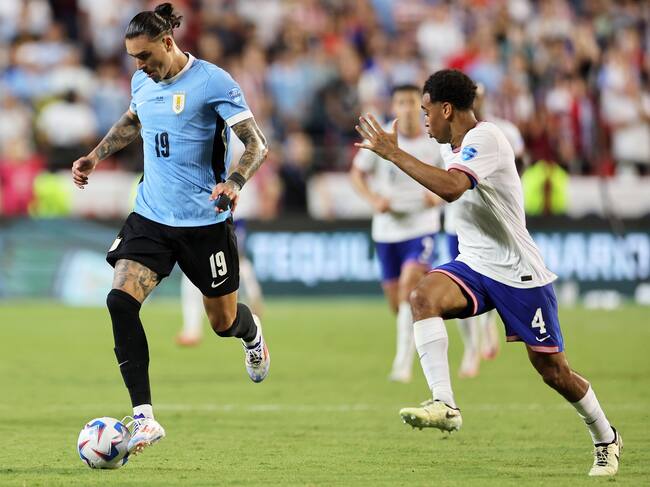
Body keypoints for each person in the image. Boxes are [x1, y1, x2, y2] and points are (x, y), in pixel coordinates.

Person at [354, 69, 621, 477]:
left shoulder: (486, 139)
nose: (423, 120)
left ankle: (605, 437)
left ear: (447, 109)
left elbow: (451, 188)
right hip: (476, 263)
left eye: (426, 111)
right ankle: (444, 402)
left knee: (554, 372)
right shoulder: (449, 142)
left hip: (519, 272)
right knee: (421, 297)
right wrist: (394, 146)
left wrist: (393, 154)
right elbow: (435, 169)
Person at [70, 3, 270, 457]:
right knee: (119, 301)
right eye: (133, 59)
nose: (139, 66)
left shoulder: (213, 81)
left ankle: (251, 333)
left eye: (144, 56)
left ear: (167, 42)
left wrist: (234, 182)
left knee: (222, 323)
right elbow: (134, 119)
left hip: (205, 223)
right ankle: (144, 417)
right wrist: (95, 157)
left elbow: (257, 143)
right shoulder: (144, 80)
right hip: (151, 216)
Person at [350, 84, 443, 383]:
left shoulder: (435, 141)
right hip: (387, 231)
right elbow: (356, 174)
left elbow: (454, 177)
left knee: (408, 289)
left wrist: (437, 198)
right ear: (394, 106)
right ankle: (415, 339)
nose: (405, 107)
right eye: (400, 101)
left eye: (411, 101)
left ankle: (402, 364)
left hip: (422, 226)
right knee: (397, 303)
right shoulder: (382, 141)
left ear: (420, 105)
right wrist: (374, 200)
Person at [449, 83, 526, 378]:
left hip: (493, 222)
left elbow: (519, 165)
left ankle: (486, 324)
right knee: (456, 286)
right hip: (456, 223)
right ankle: (470, 347)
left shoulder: (500, 132)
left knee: (489, 273)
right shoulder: (444, 138)